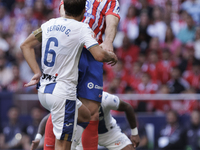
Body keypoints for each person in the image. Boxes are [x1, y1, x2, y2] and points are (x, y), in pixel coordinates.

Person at [20, 0, 118, 149]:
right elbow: (99, 55)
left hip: (44, 89)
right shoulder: (82, 29)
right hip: (62, 93)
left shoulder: (49, 24)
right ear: (84, 11)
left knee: (85, 115)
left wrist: (36, 72)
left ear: (63, 7)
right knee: (63, 143)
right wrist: (112, 56)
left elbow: (25, 45)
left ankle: (71, 142)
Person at [59, 0, 120, 149]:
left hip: (93, 51)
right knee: (61, 106)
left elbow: (112, 20)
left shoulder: (110, 1)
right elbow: (64, 11)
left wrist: (109, 41)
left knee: (92, 111)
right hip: (71, 47)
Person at [30, 92, 140, 150]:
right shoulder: (74, 102)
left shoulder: (105, 98)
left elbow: (128, 107)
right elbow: (48, 118)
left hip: (108, 133)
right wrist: (38, 137)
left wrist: (134, 133)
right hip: (82, 136)